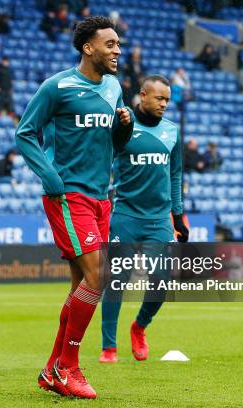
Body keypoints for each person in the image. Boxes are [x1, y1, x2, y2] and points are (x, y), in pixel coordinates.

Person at [15, 16, 134, 399]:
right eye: (110, 44)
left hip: (102, 195)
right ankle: (69, 366)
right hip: (69, 195)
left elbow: (113, 145)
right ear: (88, 48)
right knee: (98, 278)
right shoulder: (58, 87)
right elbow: (25, 132)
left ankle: (52, 370)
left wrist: (124, 128)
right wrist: (49, 176)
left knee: (81, 284)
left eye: (118, 44)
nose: (117, 50)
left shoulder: (113, 87)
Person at [99, 75, 187, 364]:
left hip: (159, 219)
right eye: (159, 98)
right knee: (116, 281)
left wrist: (178, 215)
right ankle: (108, 347)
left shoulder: (172, 131)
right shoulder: (124, 126)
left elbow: (175, 175)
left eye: (167, 100)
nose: (164, 104)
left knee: (162, 281)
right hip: (125, 216)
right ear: (143, 95)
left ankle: (139, 327)